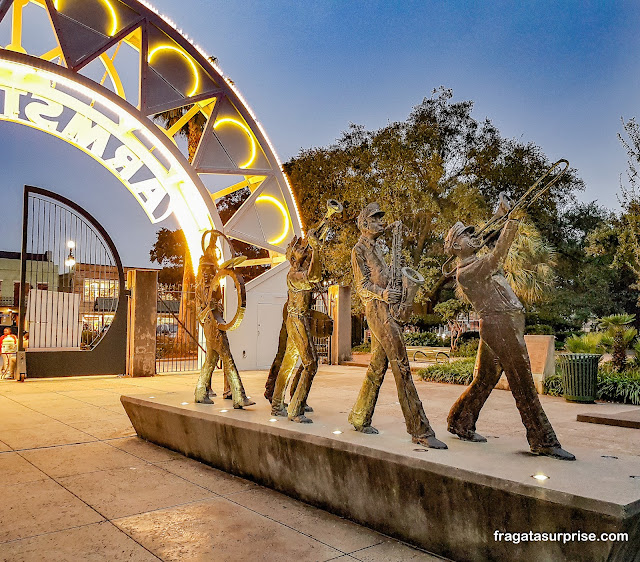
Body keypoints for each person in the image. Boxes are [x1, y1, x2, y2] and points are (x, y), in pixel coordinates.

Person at [444, 194, 575, 461]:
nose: (474, 236)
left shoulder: (474, 263)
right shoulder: (467, 270)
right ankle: (542, 439)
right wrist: (512, 220)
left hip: (503, 323)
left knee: (483, 381)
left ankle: (460, 421)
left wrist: (503, 216)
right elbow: (497, 257)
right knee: (523, 383)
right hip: (500, 325)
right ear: (457, 246)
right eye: (467, 236)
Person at [348, 203, 447, 449]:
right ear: (364, 223)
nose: (382, 221)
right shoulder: (358, 250)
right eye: (376, 218)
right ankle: (420, 429)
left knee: (376, 367)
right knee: (401, 366)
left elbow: (385, 274)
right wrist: (383, 294)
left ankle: (360, 417)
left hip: (387, 308)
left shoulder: (380, 248)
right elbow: (361, 287)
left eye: (382, 218)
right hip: (377, 310)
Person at [194, 233, 255, 409]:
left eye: (210, 271)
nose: (207, 274)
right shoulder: (203, 283)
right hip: (212, 324)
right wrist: (210, 308)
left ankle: (200, 392)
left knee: (211, 360)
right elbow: (203, 309)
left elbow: (216, 303)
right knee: (227, 358)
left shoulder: (212, 282)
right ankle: (239, 396)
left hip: (214, 323)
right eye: (205, 271)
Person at [270, 230, 321, 423]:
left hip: (298, 319)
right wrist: (316, 249)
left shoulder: (298, 271)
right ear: (293, 257)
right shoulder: (294, 275)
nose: (305, 249)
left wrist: (315, 249)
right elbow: (314, 277)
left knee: (288, 363)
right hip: (297, 319)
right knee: (311, 362)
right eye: (300, 248)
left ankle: (277, 404)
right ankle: (295, 409)